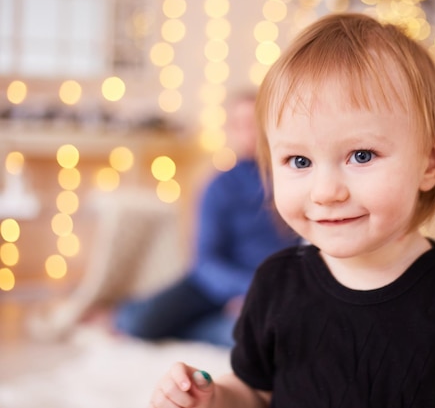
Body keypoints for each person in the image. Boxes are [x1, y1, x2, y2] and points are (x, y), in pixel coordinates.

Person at [148, 13, 435, 407]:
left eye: (361, 155)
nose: (326, 192)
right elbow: (254, 392)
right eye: (299, 161)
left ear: (430, 161)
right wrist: (214, 398)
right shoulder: (276, 284)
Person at [114, 91, 300, 347]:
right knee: (140, 323)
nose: (251, 133)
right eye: (242, 125)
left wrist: (264, 293)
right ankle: (119, 314)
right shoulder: (218, 186)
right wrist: (246, 289)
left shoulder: (295, 177)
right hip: (213, 283)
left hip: (273, 290)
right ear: (231, 130)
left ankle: (199, 326)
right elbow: (205, 261)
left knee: (253, 338)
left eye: (257, 124)